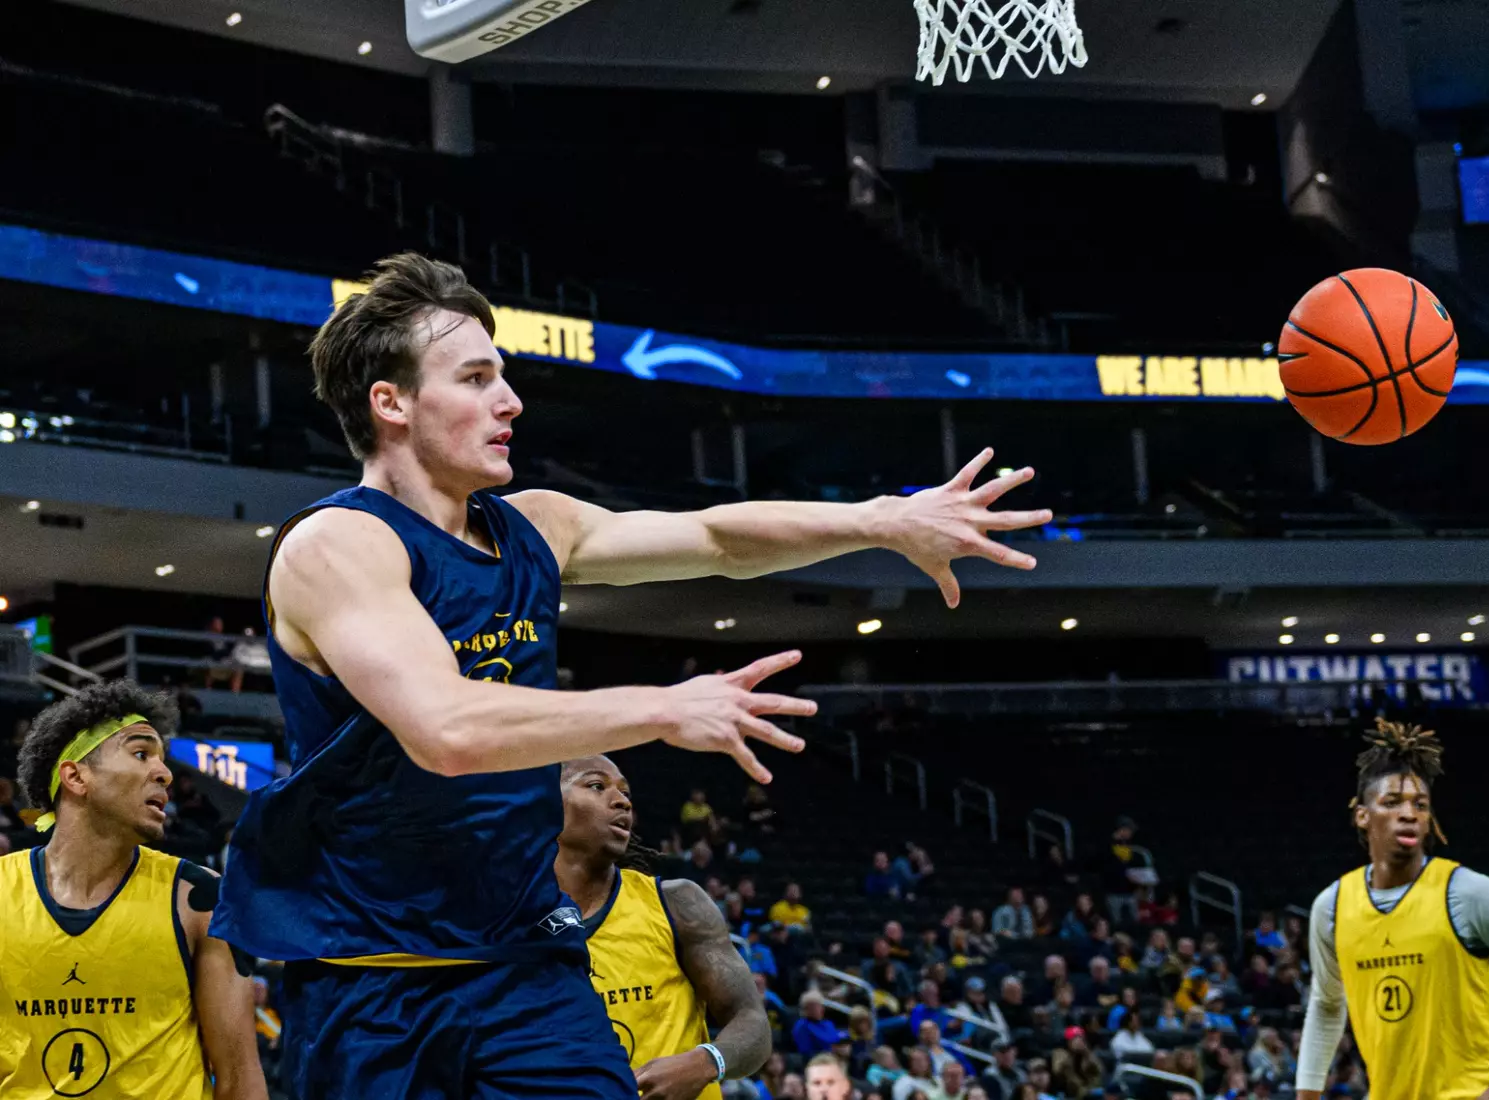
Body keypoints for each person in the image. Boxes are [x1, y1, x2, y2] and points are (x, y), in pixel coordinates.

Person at [210, 254, 1048, 1097]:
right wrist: (663, 708)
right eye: (475, 378)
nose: (511, 401)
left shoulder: (538, 525)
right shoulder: (338, 545)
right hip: (374, 979)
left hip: (528, 968)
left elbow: (717, 539)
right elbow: (448, 729)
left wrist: (882, 520)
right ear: (390, 403)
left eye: (504, 375)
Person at [1, 681, 265, 1098]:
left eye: (161, 759)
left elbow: (238, 1077)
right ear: (76, 776)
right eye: (141, 754)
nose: (164, 773)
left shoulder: (198, 898)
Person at [1294, 720, 1489, 1100]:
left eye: (1420, 804)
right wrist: (1307, 1094)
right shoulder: (1331, 907)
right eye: (1392, 802)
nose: (1409, 813)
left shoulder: (1469, 893)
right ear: (1362, 815)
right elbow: (1327, 1004)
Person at [555, 756, 771, 1100]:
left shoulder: (676, 903)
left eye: (626, 792)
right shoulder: (507, 926)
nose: (622, 801)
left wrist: (706, 1061)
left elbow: (753, 1022)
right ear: (546, 804)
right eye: (597, 786)